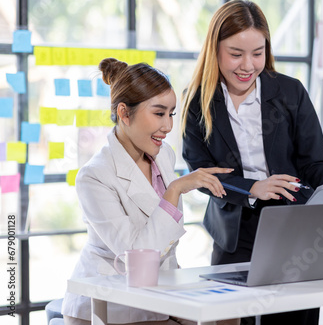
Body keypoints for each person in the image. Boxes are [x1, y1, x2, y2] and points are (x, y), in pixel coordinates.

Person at [181, 0, 323, 325]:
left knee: (294, 317)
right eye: (236, 54)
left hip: (293, 222)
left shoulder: (290, 92)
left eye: (258, 53)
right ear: (214, 50)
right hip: (235, 230)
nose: (248, 65)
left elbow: (314, 161)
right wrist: (254, 188)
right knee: (233, 318)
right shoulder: (197, 102)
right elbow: (200, 172)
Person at [62, 58, 239, 325]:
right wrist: (176, 189)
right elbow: (137, 256)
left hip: (159, 292)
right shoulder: (94, 176)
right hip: (109, 303)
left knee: (228, 315)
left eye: (171, 114)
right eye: (159, 114)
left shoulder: (163, 155)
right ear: (124, 113)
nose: (168, 126)